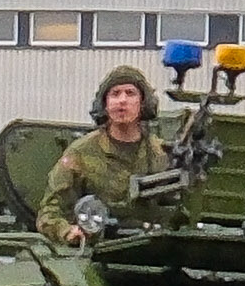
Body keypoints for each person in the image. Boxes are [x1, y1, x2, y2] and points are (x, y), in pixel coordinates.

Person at [37, 66, 169, 245]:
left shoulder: (160, 154)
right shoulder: (82, 152)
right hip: (96, 251)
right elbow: (49, 212)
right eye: (115, 94)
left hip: (150, 249)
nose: (122, 101)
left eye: (130, 93)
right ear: (105, 104)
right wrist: (67, 231)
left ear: (143, 103)